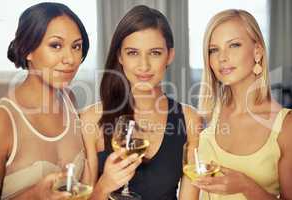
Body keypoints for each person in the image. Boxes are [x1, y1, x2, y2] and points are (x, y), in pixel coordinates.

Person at [80, 5, 201, 200]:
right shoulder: (92, 119)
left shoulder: (189, 119)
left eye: (154, 53)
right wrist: (104, 186)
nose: (143, 66)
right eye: (133, 53)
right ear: (120, 56)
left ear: (169, 55)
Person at [179, 9, 292, 200]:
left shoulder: (286, 127)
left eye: (234, 45)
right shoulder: (205, 117)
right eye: (213, 49)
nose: (222, 57)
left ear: (258, 52)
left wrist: (246, 186)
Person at [0, 2, 90, 199]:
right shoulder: (3, 121)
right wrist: (34, 195)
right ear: (27, 50)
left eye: (76, 46)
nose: (70, 59)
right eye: (56, 45)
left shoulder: (70, 100)